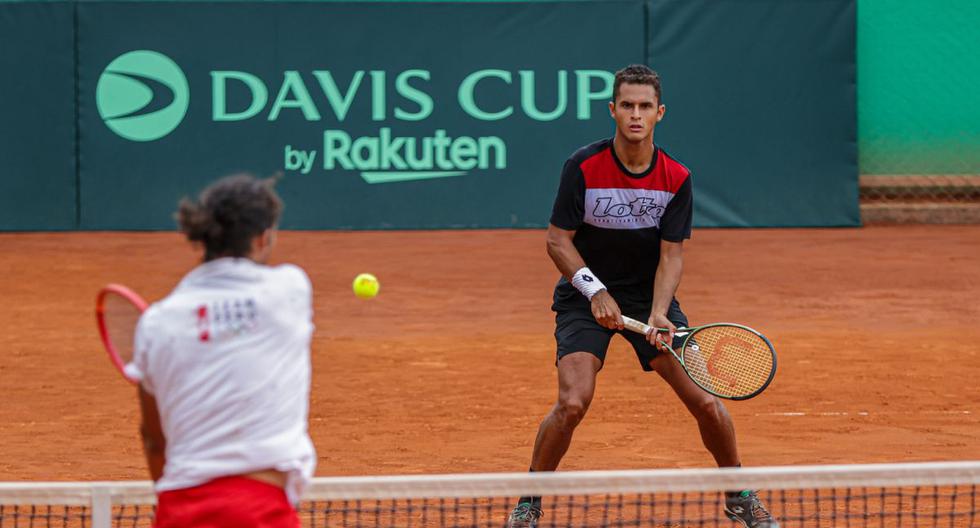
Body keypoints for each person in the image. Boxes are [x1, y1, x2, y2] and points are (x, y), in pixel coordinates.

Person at [506, 65, 778, 528]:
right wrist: (594, 291)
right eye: (627, 105)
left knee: (707, 403)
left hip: (648, 299)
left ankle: (739, 494)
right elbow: (557, 240)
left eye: (644, 107)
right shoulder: (583, 166)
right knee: (572, 403)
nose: (635, 114)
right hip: (584, 296)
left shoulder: (676, 177)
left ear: (659, 113)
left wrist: (657, 312)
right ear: (613, 110)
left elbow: (672, 256)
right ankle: (530, 500)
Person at [131, 174, 316, 528]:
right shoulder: (289, 291)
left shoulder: (157, 322)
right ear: (263, 238)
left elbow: (155, 441)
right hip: (259, 512)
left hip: (178, 511)